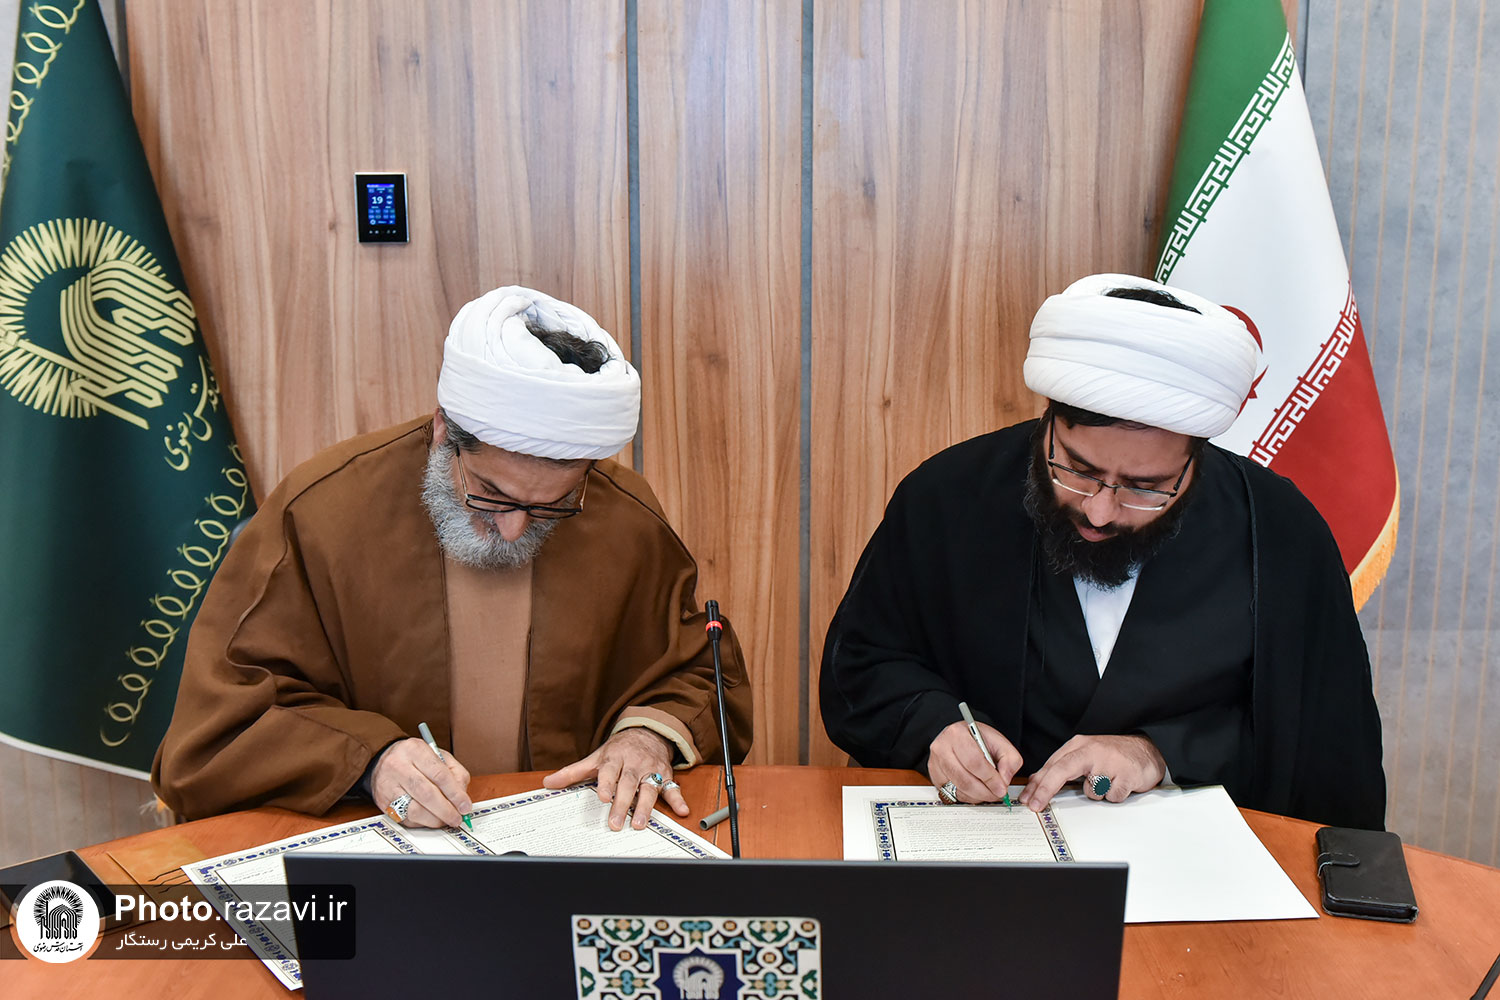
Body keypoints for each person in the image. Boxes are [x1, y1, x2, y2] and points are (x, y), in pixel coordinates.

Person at [152, 286, 752, 832]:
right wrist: (371, 761)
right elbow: (219, 727)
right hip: (377, 848)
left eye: (550, 506)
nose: (515, 528)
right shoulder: (321, 512)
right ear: (444, 430)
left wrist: (646, 736)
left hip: (568, 843)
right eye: (491, 493)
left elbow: (698, 673)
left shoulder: (624, 517)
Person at [819, 273, 1386, 830]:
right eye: (1077, 469)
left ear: (1196, 457)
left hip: (1193, 858)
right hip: (980, 845)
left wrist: (1160, 753)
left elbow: (1321, 736)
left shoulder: (1280, 533)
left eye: (1145, 486)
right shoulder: (948, 496)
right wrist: (934, 728)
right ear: (1050, 421)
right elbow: (862, 663)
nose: (1100, 511)